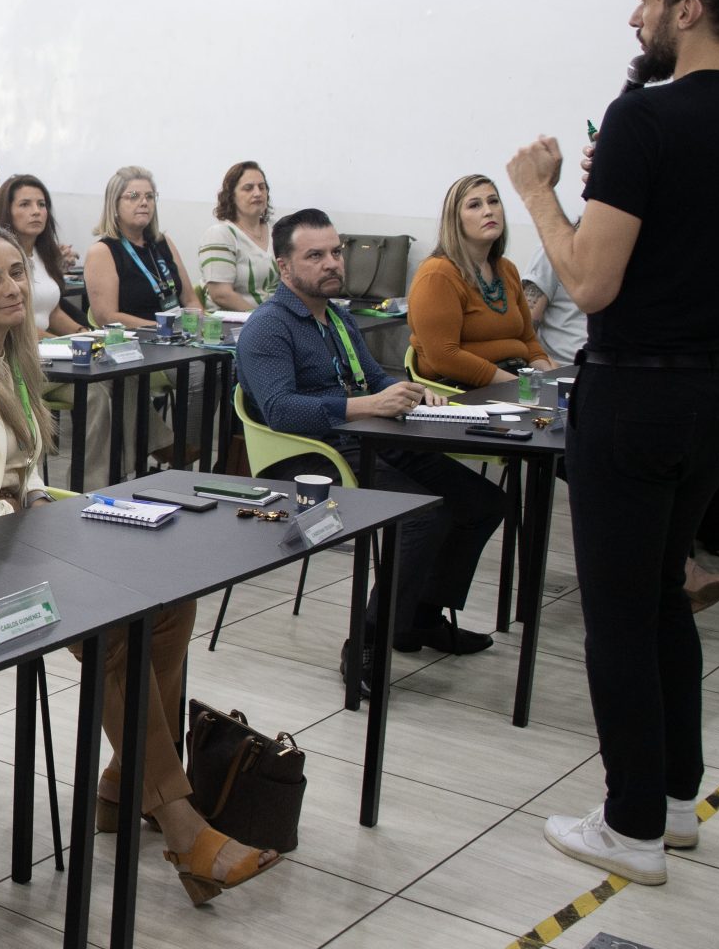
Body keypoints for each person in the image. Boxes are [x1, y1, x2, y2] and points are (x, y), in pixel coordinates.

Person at [507, 0, 719, 887]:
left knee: (617, 615)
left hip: (634, 398)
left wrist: (542, 194)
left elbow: (589, 285)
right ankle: (675, 797)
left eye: (643, 1)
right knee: (665, 596)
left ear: (686, 9)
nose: (631, 17)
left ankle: (628, 824)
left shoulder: (646, 116)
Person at [0, 226, 271, 904]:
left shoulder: (9, 355)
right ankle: (181, 824)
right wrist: (22, 525)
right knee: (111, 628)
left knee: (171, 602)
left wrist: (33, 502)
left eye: (15, 273)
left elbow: (20, 463)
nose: (11, 288)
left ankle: (127, 781)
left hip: (9, 534)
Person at [235, 208, 505, 662]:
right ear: (284, 267)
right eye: (315, 256)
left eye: (336, 253)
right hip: (308, 458)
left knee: (482, 502)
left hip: (367, 437)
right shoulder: (268, 327)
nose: (332, 264)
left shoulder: (337, 317)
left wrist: (408, 394)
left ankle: (418, 617)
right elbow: (281, 411)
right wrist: (366, 406)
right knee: (421, 515)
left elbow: (373, 378)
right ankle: (367, 639)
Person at [408, 174, 552, 389]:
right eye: (474, 205)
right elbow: (445, 357)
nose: (488, 211)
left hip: (512, 379)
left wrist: (547, 377)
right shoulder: (437, 274)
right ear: (455, 220)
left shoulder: (507, 269)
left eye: (494, 201)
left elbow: (529, 340)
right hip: (462, 390)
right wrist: (520, 385)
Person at [84, 165, 197, 329]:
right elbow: (107, 317)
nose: (144, 202)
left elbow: (190, 299)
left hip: (179, 337)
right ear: (114, 205)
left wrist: (197, 327)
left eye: (150, 197)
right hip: (138, 342)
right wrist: (164, 328)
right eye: (133, 196)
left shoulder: (163, 242)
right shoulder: (102, 252)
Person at [0, 174, 81, 336]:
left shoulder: (42, 253)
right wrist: (64, 344)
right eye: (25, 204)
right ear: (7, 211)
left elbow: (51, 312)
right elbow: (13, 325)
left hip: (46, 348)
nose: (36, 211)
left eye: (41, 205)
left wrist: (85, 334)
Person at [198, 161, 279, 311]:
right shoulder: (220, 234)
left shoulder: (277, 230)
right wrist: (260, 320)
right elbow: (221, 295)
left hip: (274, 318)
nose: (258, 193)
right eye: (248, 188)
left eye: (262, 187)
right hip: (232, 324)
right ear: (231, 196)